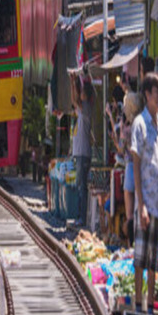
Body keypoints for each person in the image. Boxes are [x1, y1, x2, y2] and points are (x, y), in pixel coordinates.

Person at [130, 72, 158, 314]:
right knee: (140, 259)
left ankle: (150, 308)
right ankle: (137, 305)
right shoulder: (140, 124)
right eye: (157, 92)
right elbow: (135, 164)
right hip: (145, 202)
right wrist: (140, 204)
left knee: (153, 259)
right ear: (147, 95)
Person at [107, 91, 142, 246]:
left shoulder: (127, 128)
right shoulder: (141, 124)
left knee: (129, 200)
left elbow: (121, 149)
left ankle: (129, 232)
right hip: (142, 166)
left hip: (130, 166)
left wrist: (118, 131)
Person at [70, 70, 95, 227]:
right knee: (80, 186)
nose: (81, 95)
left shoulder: (86, 108)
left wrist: (73, 83)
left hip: (83, 153)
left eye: (82, 93)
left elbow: (75, 100)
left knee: (81, 187)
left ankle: (81, 218)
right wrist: (73, 83)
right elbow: (74, 100)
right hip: (80, 153)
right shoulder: (83, 109)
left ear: (85, 95)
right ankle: (80, 216)